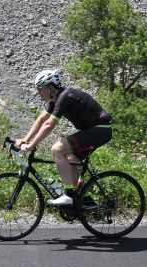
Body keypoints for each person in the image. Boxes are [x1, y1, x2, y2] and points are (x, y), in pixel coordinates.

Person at [16, 70, 112, 205]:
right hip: (92, 130)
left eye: (40, 88)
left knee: (57, 149)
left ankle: (68, 195)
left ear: (51, 87)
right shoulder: (53, 101)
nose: (38, 92)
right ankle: (85, 202)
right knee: (71, 160)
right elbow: (42, 120)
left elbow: (49, 124)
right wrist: (26, 139)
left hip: (100, 129)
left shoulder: (65, 96)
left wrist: (32, 145)